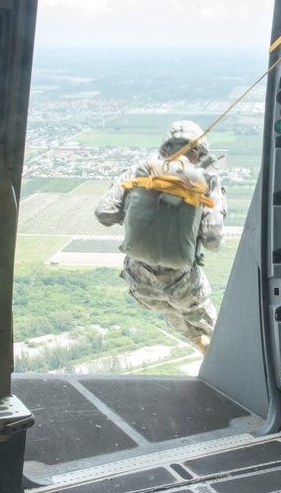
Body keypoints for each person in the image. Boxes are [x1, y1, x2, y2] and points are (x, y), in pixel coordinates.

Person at [94, 120, 227, 354]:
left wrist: (139, 212)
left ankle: (197, 340)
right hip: (183, 284)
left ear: (165, 149)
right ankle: (223, 362)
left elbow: (104, 213)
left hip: (140, 283)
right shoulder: (206, 179)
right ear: (198, 153)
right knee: (214, 329)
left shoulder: (140, 171)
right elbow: (212, 239)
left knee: (170, 311)